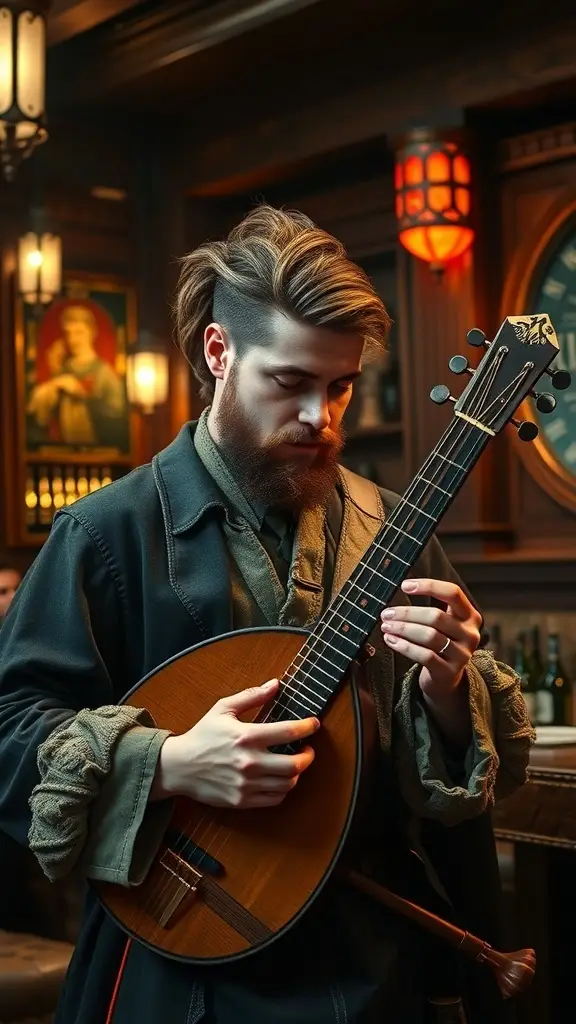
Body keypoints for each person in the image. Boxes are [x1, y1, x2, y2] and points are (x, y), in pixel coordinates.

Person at [0, 205, 533, 1024]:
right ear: (219, 352)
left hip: (371, 967)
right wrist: (170, 762)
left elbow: (453, 776)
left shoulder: (395, 527)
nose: (321, 417)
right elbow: (9, 730)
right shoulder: (105, 533)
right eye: (290, 382)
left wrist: (448, 691)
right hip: (179, 964)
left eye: (342, 386)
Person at [27, 304, 125, 447]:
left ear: (92, 332)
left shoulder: (103, 372)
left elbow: (116, 412)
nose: (73, 340)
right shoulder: (62, 369)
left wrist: (82, 394)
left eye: (79, 332)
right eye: (68, 333)